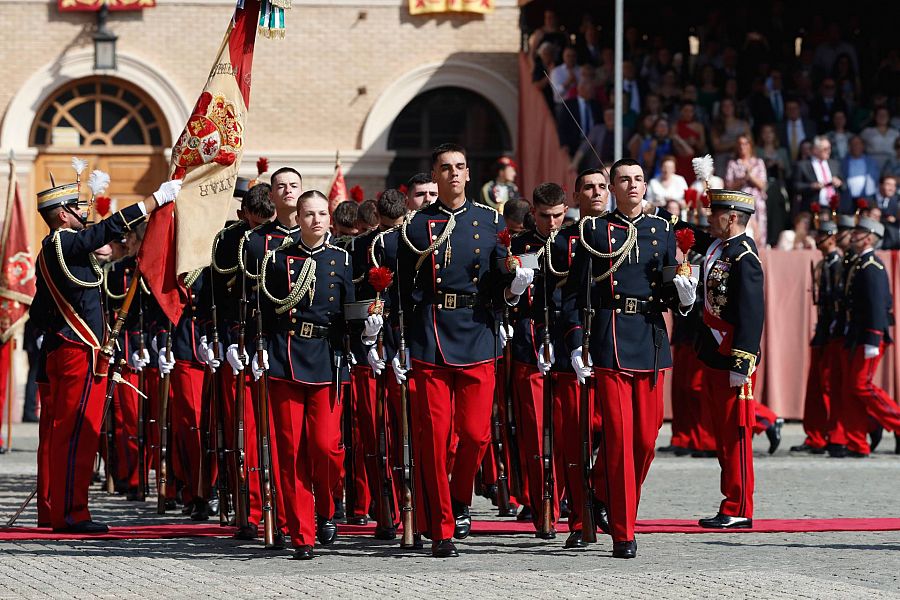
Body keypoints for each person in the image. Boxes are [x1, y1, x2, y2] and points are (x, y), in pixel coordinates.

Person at [393, 143, 529, 558]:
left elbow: (503, 279)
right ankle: (442, 529)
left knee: (475, 434)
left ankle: (459, 497)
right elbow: (400, 288)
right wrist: (395, 341)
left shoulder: (489, 222)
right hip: (431, 336)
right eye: (444, 168)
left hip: (477, 331)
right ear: (434, 176)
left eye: (459, 167)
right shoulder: (416, 226)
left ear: (469, 174)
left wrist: (513, 289)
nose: (453, 174)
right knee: (433, 438)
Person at [28, 173, 179, 533]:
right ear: (62, 214)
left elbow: (39, 311)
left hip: (66, 348)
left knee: (65, 432)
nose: (84, 214)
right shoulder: (64, 243)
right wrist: (154, 201)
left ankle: (55, 509)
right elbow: (105, 230)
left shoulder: (54, 249)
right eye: (77, 209)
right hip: (78, 350)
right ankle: (72, 514)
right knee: (79, 431)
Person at [563, 158, 698, 558]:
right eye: (625, 180)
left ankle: (602, 492)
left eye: (639, 179)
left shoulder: (661, 228)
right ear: (613, 188)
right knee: (620, 439)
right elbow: (575, 293)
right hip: (610, 340)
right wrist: (574, 342)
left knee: (645, 440)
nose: (634, 185)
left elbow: (669, 288)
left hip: (651, 339)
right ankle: (624, 530)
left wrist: (685, 294)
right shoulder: (595, 231)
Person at [254, 189, 354, 560]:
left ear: (330, 219)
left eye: (321, 214)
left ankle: (327, 506)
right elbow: (263, 309)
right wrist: (257, 346)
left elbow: (349, 315)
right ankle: (302, 534)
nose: (315, 220)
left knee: (326, 447)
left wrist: (371, 334)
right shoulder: (278, 260)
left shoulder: (342, 260)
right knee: (290, 449)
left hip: (328, 360)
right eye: (308, 214)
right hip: (286, 357)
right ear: (297, 218)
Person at [693, 188, 764, 530]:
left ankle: (738, 505)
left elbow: (752, 315)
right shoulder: (720, 247)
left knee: (735, 435)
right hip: (713, 350)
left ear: (732, 217)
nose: (709, 218)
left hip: (731, 354)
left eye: (715, 213)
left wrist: (742, 362)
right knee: (721, 435)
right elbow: (690, 230)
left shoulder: (744, 256)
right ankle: (731, 500)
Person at [210, 180, 275, 541]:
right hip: (242, 340)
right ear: (244, 215)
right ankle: (249, 510)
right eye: (255, 222)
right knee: (245, 434)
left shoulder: (289, 238)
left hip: (280, 344)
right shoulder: (230, 241)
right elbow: (217, 291)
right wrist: (217, 337)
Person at [506, 183, 568, 541]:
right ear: (534, 213)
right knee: (531, 430)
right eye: (544, 217)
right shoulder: (520, 246)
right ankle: (539, 499)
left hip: (566, 339)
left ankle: (564, 495)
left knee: (565, 429)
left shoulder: (577, 241)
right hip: (529, 340)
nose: (552, 223)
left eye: (558, 216)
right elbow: (506, 296)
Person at [839, 218, 900, 456]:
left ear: (868, 237)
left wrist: (874, 339)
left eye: (858, 232)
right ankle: (857, 442)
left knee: (861, 385)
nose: (852, 236)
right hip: (858, 334)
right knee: (852, 389)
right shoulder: (861, 263)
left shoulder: (872, 265)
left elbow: (876, 305)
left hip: (870, 335)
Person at [792, 220, 842, 453]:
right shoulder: (824, 264)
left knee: (829, 386)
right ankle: (815, 435)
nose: (817, 239)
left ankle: (832, 434)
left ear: (831, 238)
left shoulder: (838, 264)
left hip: (833, 331)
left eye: (822, 235)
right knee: (816, 387)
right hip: (823, 330)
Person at [725, 135, 768, 247]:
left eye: (745, 143)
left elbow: (763, 184)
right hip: (740, 204)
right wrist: (743, 178)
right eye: (739, 144)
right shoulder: (733, 163)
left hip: (757, 203)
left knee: (760, 233)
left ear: (750, 146)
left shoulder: (758, 162)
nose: (742, 146)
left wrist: (750, 176)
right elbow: (729, 186)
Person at [794, 136, 845, 214]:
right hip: (813, 207)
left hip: (834, 208)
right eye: (825, 149)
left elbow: (845, 185)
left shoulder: (834, 164)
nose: (828, 151)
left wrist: (839, 182)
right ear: (815, 150)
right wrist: (812, 186)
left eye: (829, 148)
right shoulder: (802, 165)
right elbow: (795, 186)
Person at [710, 98, 751, 177]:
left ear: (734, 107)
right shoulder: (717, 126)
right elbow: (716, 146)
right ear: (721, 108)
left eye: (730, 105)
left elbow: (750, 143)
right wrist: (736, 143)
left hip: (740, 161)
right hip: (721, 161)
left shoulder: (743, 124)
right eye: (725, 106)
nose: (727, 108)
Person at [860, 107, 899, 171]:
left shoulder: (895, 133)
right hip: (872, 163)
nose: (882, 117)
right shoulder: (867, 132)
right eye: (879, 115)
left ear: (889, 117)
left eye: (885, 115)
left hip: (892, 164)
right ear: (875, 117)